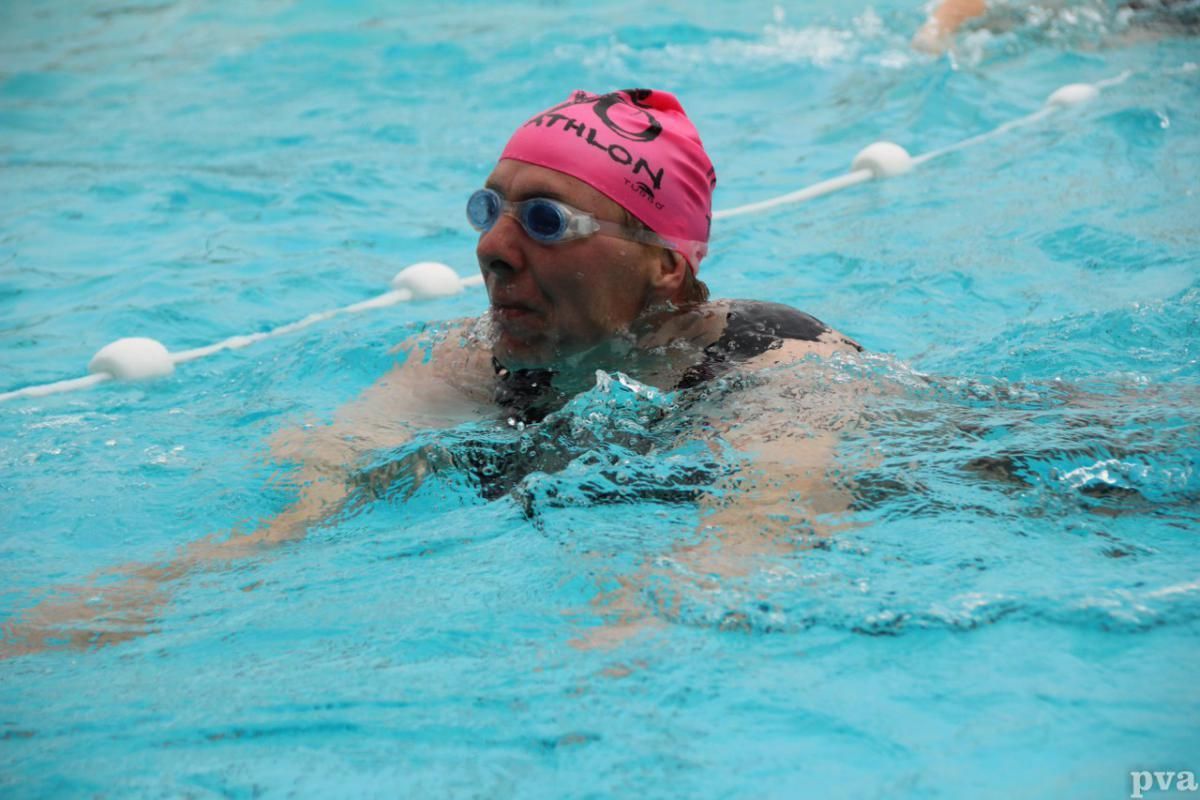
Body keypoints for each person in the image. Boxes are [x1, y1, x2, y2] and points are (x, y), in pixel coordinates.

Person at [2, 89, 862, 655]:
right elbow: (320, 480)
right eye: (491, 209)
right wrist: (147, 593)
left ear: (665, 265)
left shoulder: (780, 370)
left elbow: (756, 542)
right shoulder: (483, 356)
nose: (491, 248)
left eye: (545, 221)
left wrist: (625, 642)